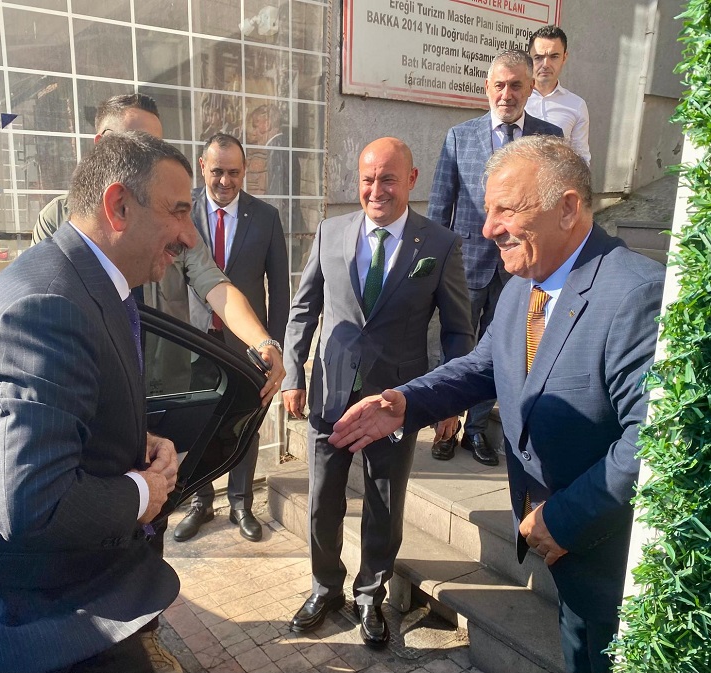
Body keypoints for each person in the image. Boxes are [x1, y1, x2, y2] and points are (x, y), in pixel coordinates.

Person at [329, 136, 665, 673]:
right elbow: (482, 368)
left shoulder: (635, 294)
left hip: (601, 549)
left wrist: (564, 518)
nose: (488, 229)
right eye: (488, 211)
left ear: (568, 208)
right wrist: (404, 402)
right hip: (555, 539)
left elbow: (651, 438)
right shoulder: (521, 286)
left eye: (506, 210)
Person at [0, 132, 195, 673]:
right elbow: (31, 502)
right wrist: (142, 492)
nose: (189, 235)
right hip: (30, 619)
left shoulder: (80, 281)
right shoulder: (48, 306)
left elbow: (65, 410)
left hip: (52, 585)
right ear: (119, 206)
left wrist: (137, 441)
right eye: (178, 211)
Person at [281, 138, 473, 648]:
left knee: (385, 502)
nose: (376, 190)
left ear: (411, 180)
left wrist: (450, 399)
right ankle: (325, 588)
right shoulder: (331, 232)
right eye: (367, 179)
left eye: (388, 178)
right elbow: (303, 309)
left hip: (395, 401)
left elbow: (459, 330)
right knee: (322, 500)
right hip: (332, 393)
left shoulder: (439, 245)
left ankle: (370, 594)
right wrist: (293, 374)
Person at [32, 94, 285, 395]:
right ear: (102, 145)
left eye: (158, 147)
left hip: (165, 387)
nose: (154, 160)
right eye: (139, 146)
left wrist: (263, 341)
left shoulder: (172, 220)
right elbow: (46, 315)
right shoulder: (59, 222)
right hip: (95, 390)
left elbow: (215, 284)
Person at [427, 49, 563, 466]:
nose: (507, 94)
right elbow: (440, 205)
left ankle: (477, 430)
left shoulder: (549, 138)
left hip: (522, 268)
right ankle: (445, 424)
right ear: (487, 88)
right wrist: (432, 267)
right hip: (466, 265)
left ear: (530, 88)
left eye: (516, 85)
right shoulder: (459, 136)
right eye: (499, 85)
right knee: (457, 346)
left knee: (505, 350)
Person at [173, 134, 289, 544]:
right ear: (202, 166)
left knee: (244, 424)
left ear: (245, 171)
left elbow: (279, 290)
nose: (225, 181)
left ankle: (241, 503)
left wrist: (274, 344)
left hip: (246, 346)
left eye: (234, 172)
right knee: (197, 422)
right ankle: (200, 500)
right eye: (218, 171)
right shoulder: (180, 211)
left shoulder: (266, 217)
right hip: (194, 340)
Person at [526, 25, 591, 165]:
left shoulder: (576, 105)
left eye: (554, 56)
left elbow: (582, 158)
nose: (545, 64)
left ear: (564, 57)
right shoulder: (515, 99)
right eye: (538, 57)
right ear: (529, 59)